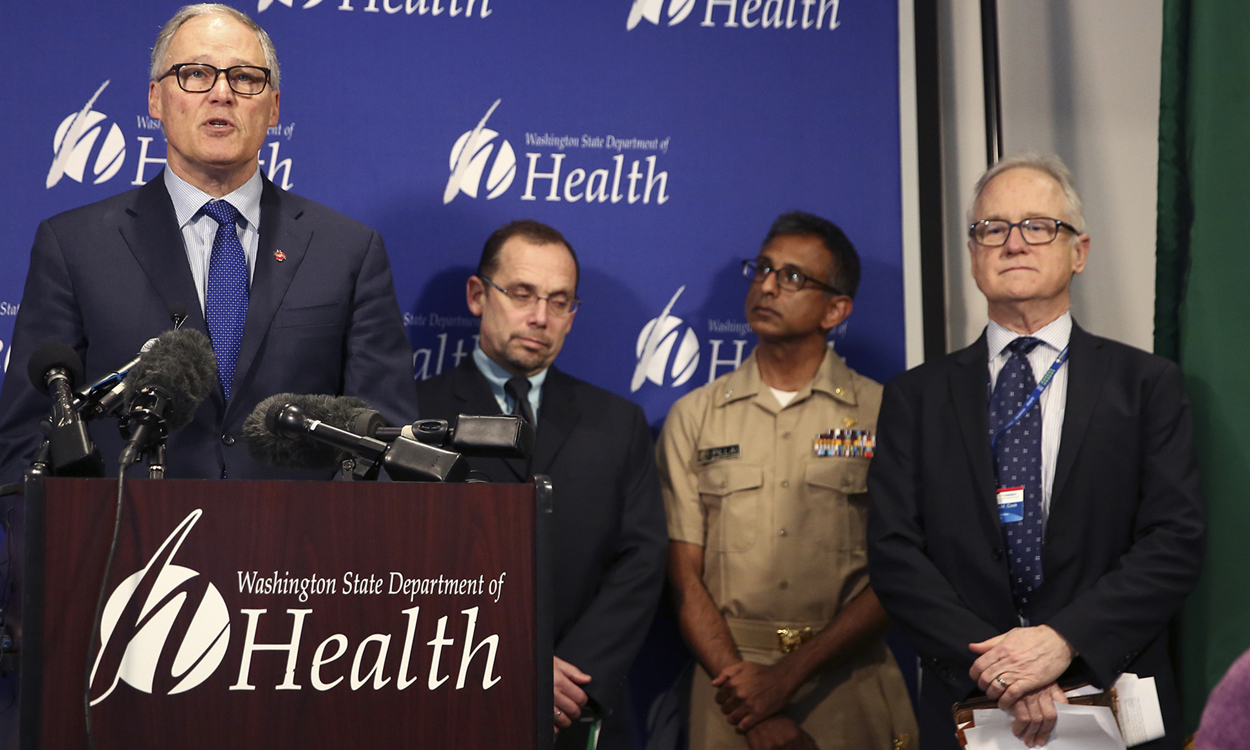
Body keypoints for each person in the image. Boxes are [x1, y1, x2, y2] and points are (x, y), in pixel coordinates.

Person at [867, 154, 1205, 749]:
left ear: (1079, 251)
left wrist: (1063, 641)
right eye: (992, 228)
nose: (1013, 243)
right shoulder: (913, 398)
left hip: (1112, 692)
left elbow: (1174, 540)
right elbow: (895, 555)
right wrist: (1001, 669)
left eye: (1038, 226)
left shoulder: (1146, 385)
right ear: (973, 254)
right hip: (971, 704)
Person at [0, 4, 417, 482]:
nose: (222, 93)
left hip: (300, 529)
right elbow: (28, 440)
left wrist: (325, 528)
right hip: (130, 527)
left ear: (274, 108)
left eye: (244, 78)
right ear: (156, 99)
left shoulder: (348, 251)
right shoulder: (74, 246)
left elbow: (384, 441)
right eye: (195, 74)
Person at [657, 211, 917, 750]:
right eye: (763, 269)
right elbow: (684, 578)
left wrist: (784, 679)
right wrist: (752, 705)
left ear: (836, 309)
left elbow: (902, 572)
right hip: (729, 691)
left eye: (793, 277)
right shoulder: (694, 417)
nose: (768, 286)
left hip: (846, 679)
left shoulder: (884, 414)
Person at [413, 219, 668, 747]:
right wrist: (510, 663)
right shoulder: (413, 416)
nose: (540, 317)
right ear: (478, 295)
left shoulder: (618, 423)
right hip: (448, 693)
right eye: (522, 293)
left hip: (576, 707)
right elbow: (397, 567)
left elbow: (641, 563)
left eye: (559, 301)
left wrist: (570, 675)